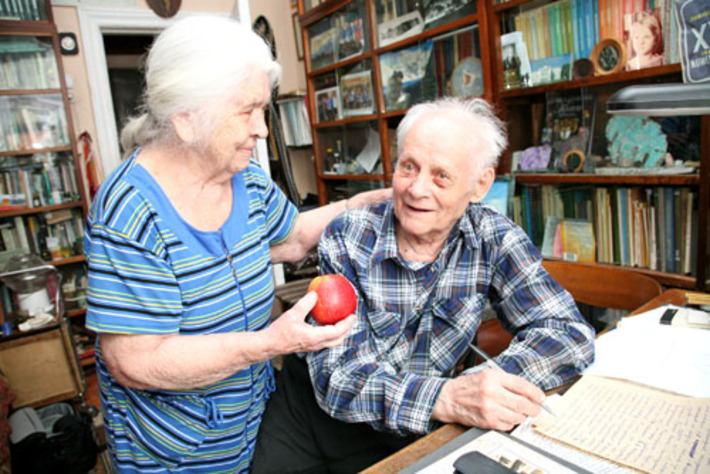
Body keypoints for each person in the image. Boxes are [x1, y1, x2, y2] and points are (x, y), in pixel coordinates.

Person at [84, 16, 389, 473]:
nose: (262, 129)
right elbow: (136, 362)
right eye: (246, 111)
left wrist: (367, 203)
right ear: (186, 119)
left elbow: (295, 237)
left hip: (257, 429)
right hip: (181, 455)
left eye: (262, 110)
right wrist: (271, 342)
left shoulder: (243, 178)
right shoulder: (128, 210)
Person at [252, 98, 595, 473]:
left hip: (417, 430)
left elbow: (568, 332)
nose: (417, 189)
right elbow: (341, 379)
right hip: (314, 421)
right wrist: (445, 397)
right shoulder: (349, 236)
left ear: (479, 185)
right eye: (408, 167)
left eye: (441, 176)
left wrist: (486, 385)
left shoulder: (494, 238)